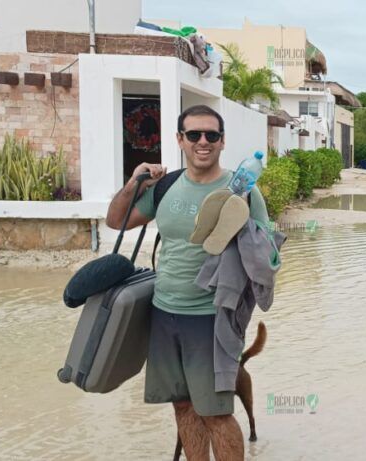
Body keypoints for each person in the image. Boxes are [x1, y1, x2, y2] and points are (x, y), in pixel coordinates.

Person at [106, 105, 269, 461]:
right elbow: (116, 220)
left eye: (211, 135)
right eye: (194, 134)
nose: (203, 142)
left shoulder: (242, 190)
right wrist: (135, 183)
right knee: (182, 405)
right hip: (164, 312)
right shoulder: (164, 187)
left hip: (213, 317)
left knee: (217, 413)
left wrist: (247, 234)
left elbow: (270, 258)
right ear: (180, 140)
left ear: (223, 141)